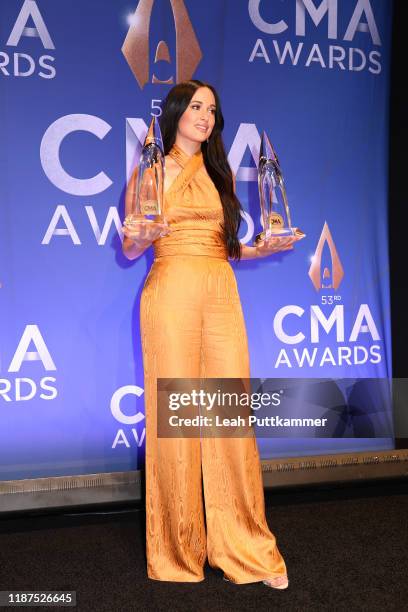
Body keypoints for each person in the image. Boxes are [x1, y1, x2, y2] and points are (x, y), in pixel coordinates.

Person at [122, 80, 301, 589]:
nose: (205, 115)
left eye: (213, 109)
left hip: (220, 295)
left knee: (228, 420)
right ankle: (178, 551)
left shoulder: (218, 172)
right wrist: (141, 234)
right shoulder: (152, 169)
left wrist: (262, 250)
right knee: (179, 422)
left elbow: (224, 247)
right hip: (171, 292)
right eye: (196, 106)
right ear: (176, 113)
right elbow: (133, 249)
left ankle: (244, 546)